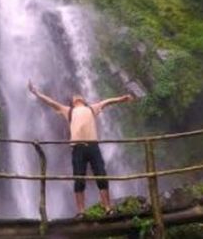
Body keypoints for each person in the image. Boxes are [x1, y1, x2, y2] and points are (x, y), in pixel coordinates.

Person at [27, 80, 133, 216]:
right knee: (78, 179)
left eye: (79, 96)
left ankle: (108, 207)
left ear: (84, 100)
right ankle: (81, 211)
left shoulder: (92, 108)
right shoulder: (68, 111)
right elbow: (51, 102)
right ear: (72, 102)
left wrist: (122, 99)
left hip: (93, 146)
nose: (77, 96)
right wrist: (36, 93)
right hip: (78, 148)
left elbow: (107, 102)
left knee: (101, 176)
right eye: (75, 96)